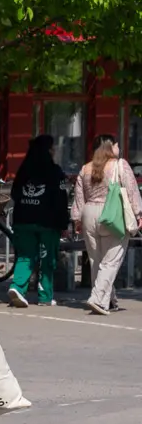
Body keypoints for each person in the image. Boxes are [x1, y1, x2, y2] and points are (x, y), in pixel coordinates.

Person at [72, 134, 140, 315]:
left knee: (97, 261)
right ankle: (98, 300)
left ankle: (108, 299)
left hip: (89, 213)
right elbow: (132, 190)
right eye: (117, 145)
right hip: (112, 214)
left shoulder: (85, 168)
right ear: (111, 147)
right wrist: (138, 213)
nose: (119, 148)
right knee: (111, 261)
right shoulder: (120, 165)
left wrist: (77, 219)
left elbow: (79, 197)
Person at [7, 133, 69, 308]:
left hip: (23, 220)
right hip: (47, 222)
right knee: (47, 258)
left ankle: (17, 287)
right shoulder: (55, 171)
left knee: (25, 256)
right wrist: (64, 224)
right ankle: (45, 297)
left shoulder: (23, 170)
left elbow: (14, 193)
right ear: (48, 150)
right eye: (52, 148)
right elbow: (61, 200)